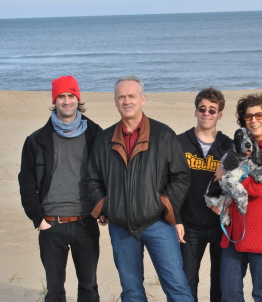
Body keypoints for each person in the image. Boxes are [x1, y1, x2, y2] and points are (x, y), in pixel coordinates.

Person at [86, 75, 193, 302]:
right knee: (132, 291)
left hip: (159, 224)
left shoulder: (163, 135)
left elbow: (181, 176)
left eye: (132, 96)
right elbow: (93, 180)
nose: (127, 101)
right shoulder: (104, 139)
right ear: (115, 101)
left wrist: (162, 204)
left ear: (142, 99)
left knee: (176, 286)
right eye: (121, 97)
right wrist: (106, 207)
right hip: (120, 227)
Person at [18, 75, 102, 301]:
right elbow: (26, 182)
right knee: (54, 291)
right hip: (51, 224)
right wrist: (38, 219)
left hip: (86, 222)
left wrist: (104, 209)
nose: (67, 101)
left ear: (78, 98)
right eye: (61, 96)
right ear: (54, 100)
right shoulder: (36, 140)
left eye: (71, 95)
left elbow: (108, 175)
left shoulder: (96, 135)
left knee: (89, 288)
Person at [216, 93, 262, 302]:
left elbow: (261, 187)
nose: (254, 120)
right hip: (234, 231)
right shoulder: (237, 148)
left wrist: (229, 180)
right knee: (229, 294)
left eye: (259, 115)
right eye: (248, 117)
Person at [176, 87, 232, 301]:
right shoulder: (180, 142)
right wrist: (176, 220)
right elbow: (168, 185)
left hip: (221, 226)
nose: (206, 114)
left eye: (212, 110)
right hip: (189, 227)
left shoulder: (228, 146)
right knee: (187, 283)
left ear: (220, 114)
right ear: (195, 112)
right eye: (202, 109)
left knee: (220, 284)